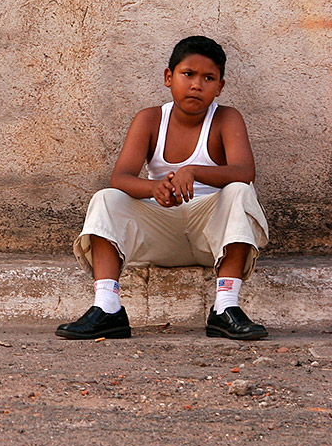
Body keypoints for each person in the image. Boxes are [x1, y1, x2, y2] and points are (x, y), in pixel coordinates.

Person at [56, 36, 270, 341]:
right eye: (188, 74)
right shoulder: (150, 119)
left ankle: (225, 307)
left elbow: (244, 171)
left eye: (208, 78)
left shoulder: (226, 118)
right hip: (160, 234)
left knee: (241, 190)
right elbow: (121, 177)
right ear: (169, 77)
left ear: (220, 87)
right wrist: (154, 188)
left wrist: (193, 171)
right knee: (106, 198)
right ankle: (107, 307)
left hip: (211, 238)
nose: (197, 85)